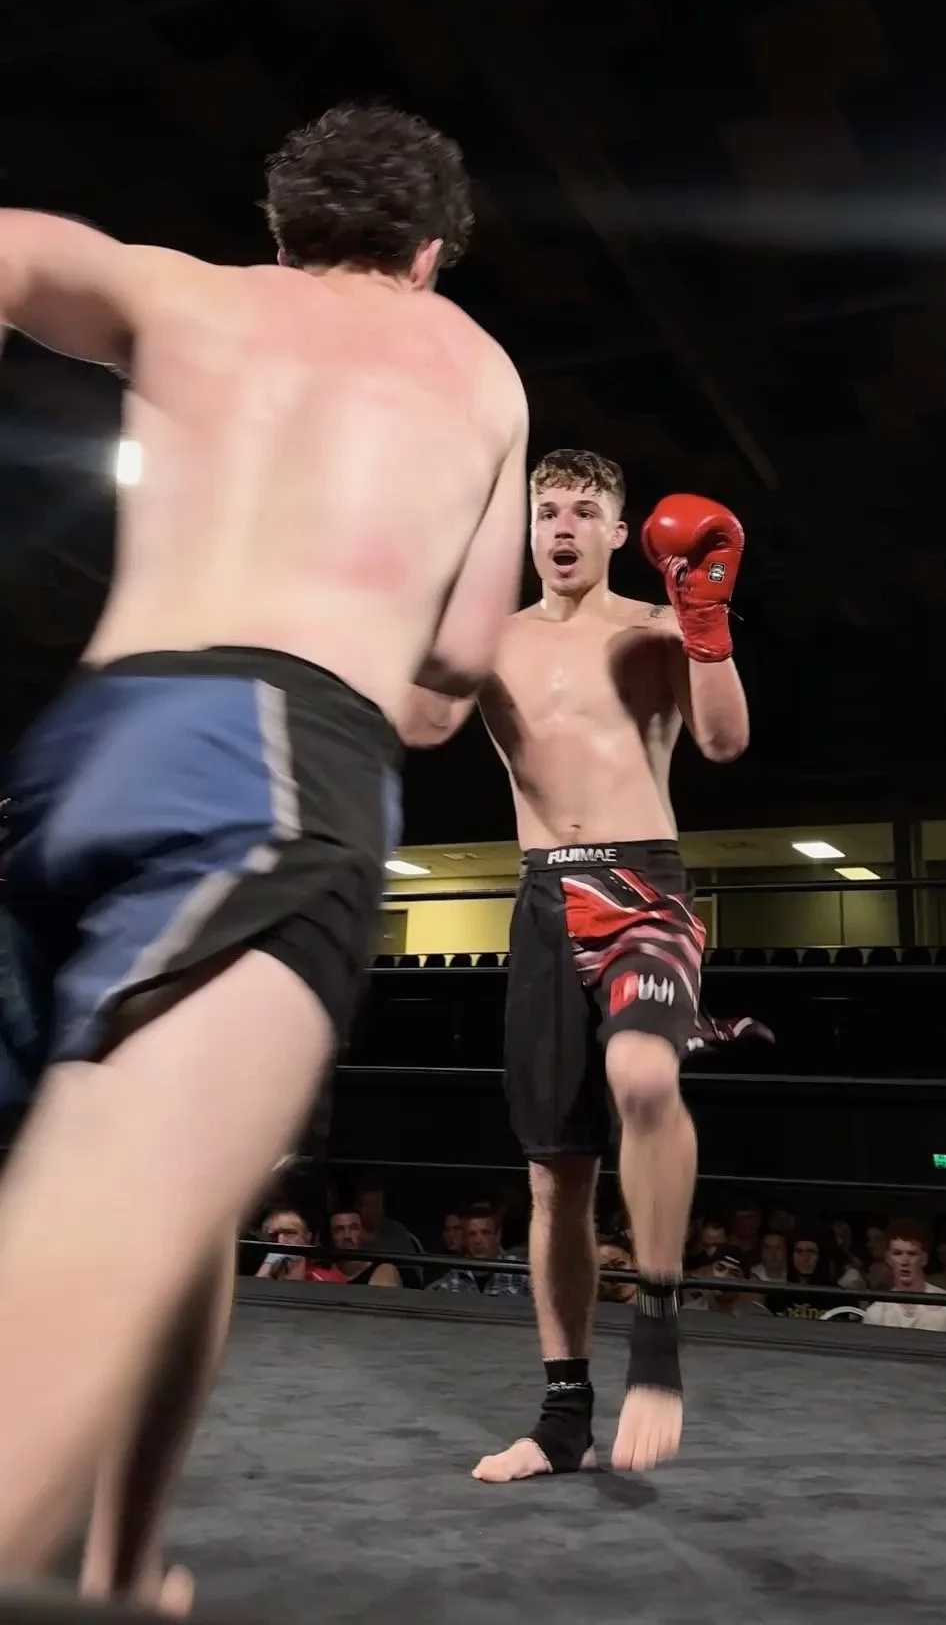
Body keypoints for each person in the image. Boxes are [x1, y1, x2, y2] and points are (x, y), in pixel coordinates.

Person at [0, 100, 528, 1602]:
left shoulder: (181, 290)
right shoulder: (477, 368)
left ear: (284, 230)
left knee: (174, 1210)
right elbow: (453, 674)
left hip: (75, 757)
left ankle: (125, 1564)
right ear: (428, 253)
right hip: (268, 765)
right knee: (113, 1213)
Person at [403, 446, 766, 1477]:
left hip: (641, 885)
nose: (560, 526)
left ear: (617, 530)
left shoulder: (657, 625)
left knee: (643, 1074)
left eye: (581, 510)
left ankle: (657, 1338)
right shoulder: (494, 636)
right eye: (546, 510)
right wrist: (429, 610)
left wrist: (706, 625)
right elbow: (422, 725)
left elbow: (725, 742)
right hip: (539, 898)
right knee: (556, 1173)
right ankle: (564, 1417)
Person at [862, 1221, 946, 1334]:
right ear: (888, 1258)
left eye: (912, 1253)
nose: (905, 1261)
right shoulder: (876, 1314)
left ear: (924, 1259)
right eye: (897, 1253)